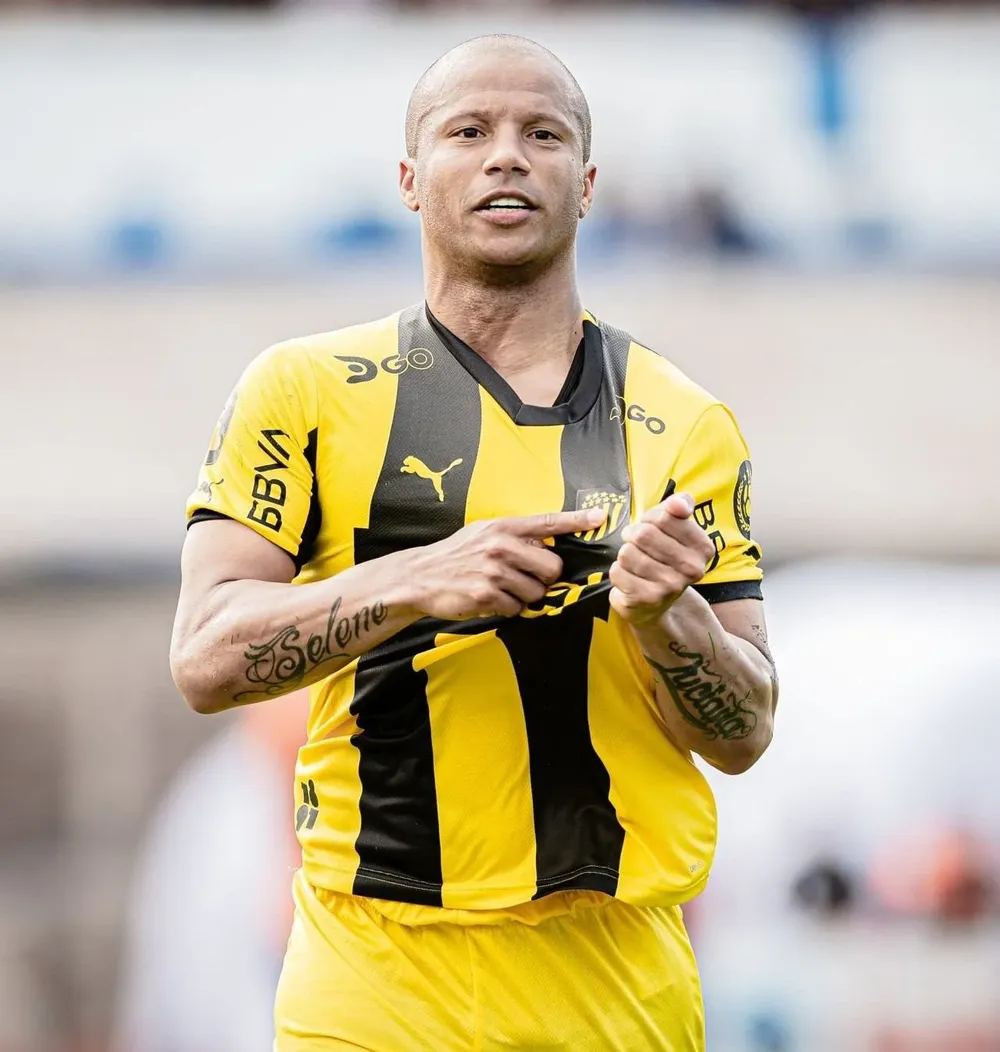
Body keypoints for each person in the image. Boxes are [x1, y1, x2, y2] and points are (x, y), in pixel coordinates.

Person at [170, 34, 778, 1052]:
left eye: (542, 133)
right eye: (469, 130)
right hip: (373, 969)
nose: (507, 155)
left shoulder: (684, 421)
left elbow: (744, 729)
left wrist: (673, 625)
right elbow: (203, 655)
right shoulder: (301, 389)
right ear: (410, 179)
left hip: (614, 976)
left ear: (586, 185)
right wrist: (416, 577)